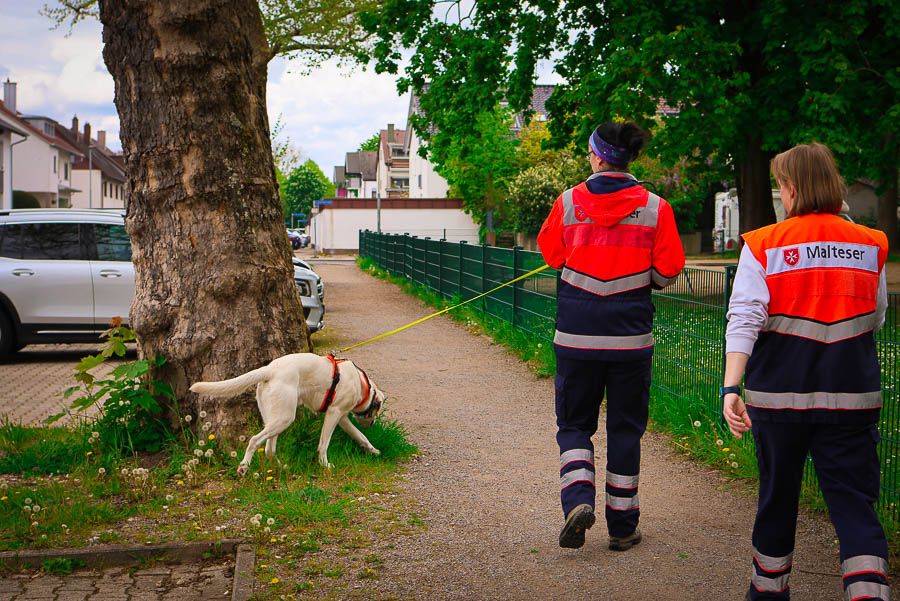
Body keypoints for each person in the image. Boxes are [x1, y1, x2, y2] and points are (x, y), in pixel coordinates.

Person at [722, 142, 889, 601]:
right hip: (851, 399)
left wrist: (731, 386)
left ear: (792, 188)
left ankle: (768, 592)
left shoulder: (764, 244)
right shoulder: (871, 244)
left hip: (779, 402)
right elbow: (875, 316)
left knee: (777, 501)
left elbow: (745, 318)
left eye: (781, 186)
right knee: (856, 508)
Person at [537, 121, 685, 551]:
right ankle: (622, 526)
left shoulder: (567, 203)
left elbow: (554, 256)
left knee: (574, 424)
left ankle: (577, 502)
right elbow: (667, 270)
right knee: (624, 429)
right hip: (630, 340)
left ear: (599, 156)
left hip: (577, 336)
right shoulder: (657, 208)